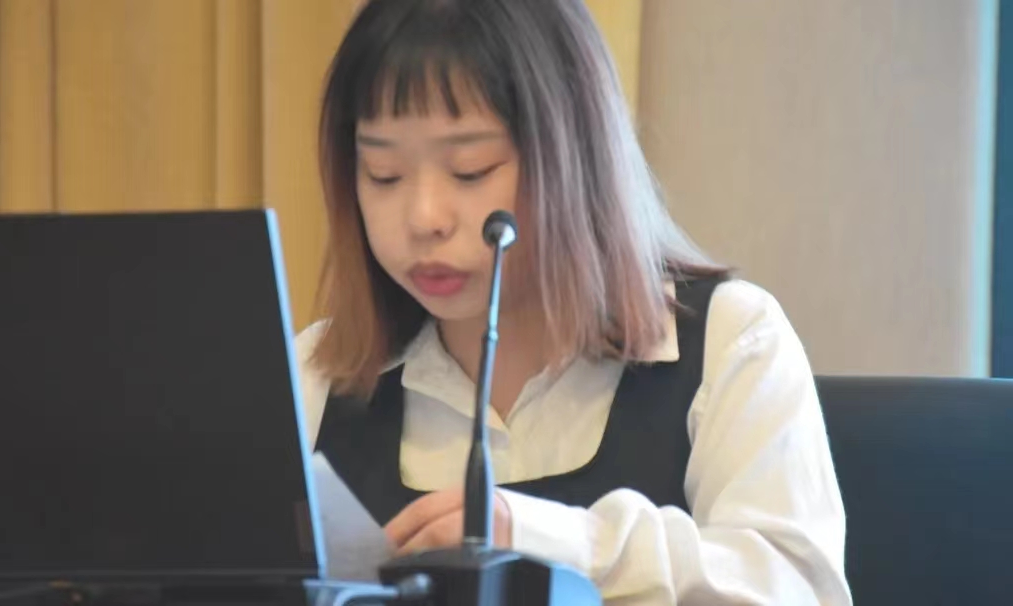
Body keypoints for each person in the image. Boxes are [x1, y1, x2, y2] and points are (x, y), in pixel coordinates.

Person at [296, 0, 852, 604]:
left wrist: (555, 543)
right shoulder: (315, 375)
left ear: (577, 156)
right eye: (383, 174)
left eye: (470, 170)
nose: (423, 218)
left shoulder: (730, 341)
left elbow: (797, 590)